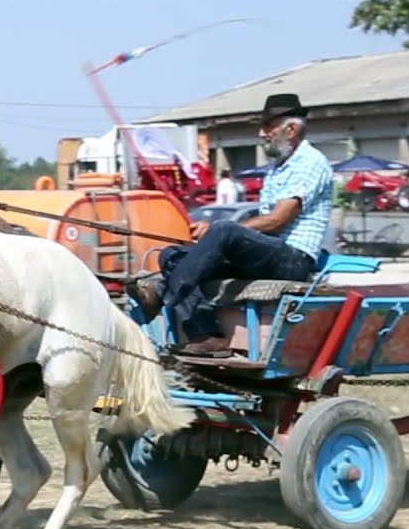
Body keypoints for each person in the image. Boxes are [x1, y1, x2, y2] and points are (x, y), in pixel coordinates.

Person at [126, 93, 334, 356]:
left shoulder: (310, 162)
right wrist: (212, 236)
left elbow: (278, 220)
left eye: (268, 126)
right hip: (268, 254)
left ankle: (163, 294)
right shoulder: (276, 168)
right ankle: (208, 335)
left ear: (291, 129)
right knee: (172, 255)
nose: (262, 133)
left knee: (224, 229)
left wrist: (219, 232)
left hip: (293, 259)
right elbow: (260, 226)